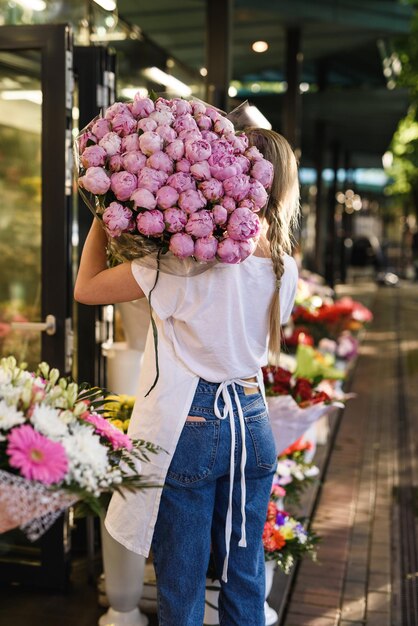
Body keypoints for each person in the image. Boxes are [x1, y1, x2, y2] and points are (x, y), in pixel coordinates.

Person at [74, 128, 300, 626]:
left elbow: (86, 288)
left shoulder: (180, 261)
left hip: (192, 426)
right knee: (246, 575)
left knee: (182, 582)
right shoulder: (285, 267)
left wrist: (104, 208)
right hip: (253, 419)